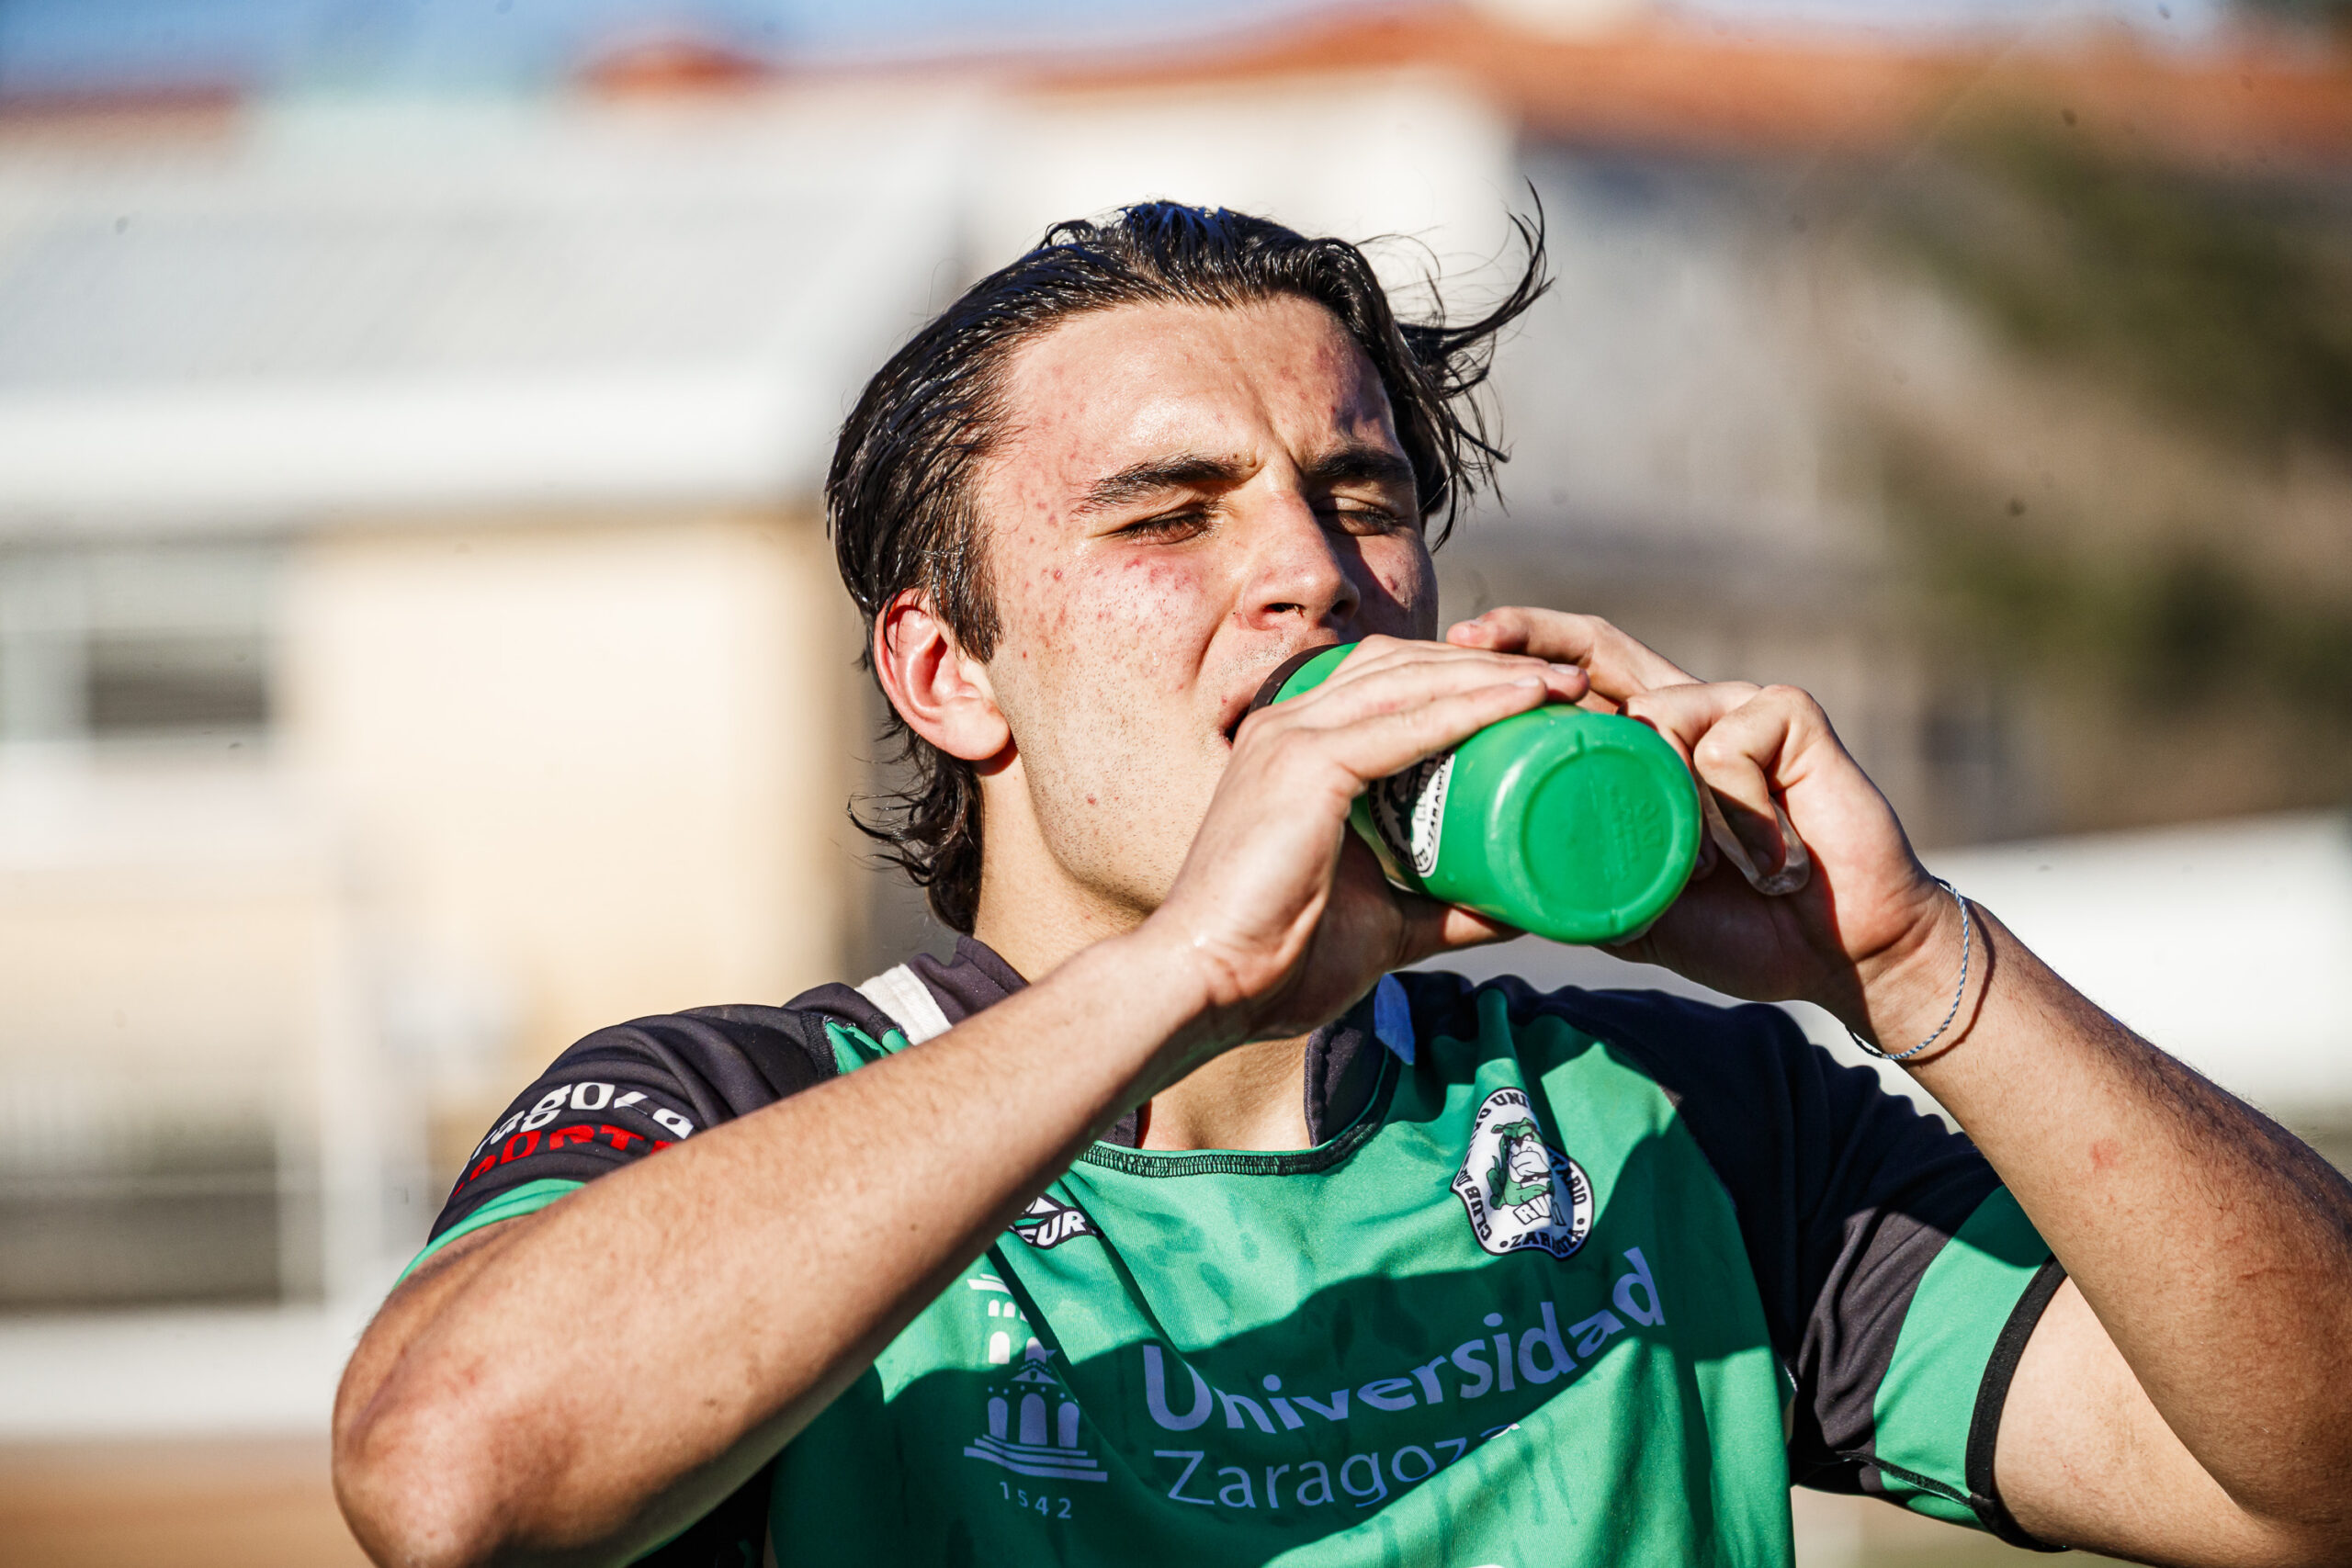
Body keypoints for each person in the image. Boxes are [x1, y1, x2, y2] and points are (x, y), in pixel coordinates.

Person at [333, 203, 2352, 1568]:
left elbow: (2307, 1478)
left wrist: (1917, 968)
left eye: (1356, 490)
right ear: (948, 672)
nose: (1308, 571)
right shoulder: (740, 1110)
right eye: (1167, 513)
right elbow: (447, 1476)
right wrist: (1182, 970)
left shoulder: (1676, 1126)